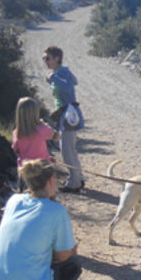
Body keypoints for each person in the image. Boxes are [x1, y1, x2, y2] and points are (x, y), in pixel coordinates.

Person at [0, 159, 82, 280]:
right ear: (51, 180)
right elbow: (63, 257)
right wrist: (71, 251)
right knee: (72, 266)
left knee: (22, 262)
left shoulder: (14, 201)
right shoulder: (56, 211)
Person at [43, 46, 85, 193]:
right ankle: (78, 178)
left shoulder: (61, 72)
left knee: (66, 150)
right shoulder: (61, 72)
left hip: (67, 115)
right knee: (70, 149)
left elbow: (68, 85)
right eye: (45, 58)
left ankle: (74, 183)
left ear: (57, 59)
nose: (45, 61)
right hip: (66, 115)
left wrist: (53, 78)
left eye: (48, 58)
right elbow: (74, 81)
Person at [12, 97, 60, 167]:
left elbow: (17, 151)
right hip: (42, 167)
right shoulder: (42, 129)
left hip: (25, 170)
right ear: (35, 113)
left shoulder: (16, 133)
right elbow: (56, 137)